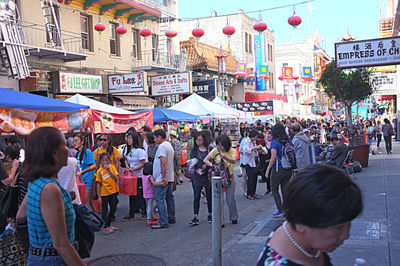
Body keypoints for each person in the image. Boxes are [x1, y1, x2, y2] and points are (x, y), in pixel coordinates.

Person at [257, 164, 363, 266]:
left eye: (348, 223)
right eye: (338, 227)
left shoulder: (300, 237)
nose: (346, 235)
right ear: (300, 222)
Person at [21, 127, 84, 265]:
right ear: (53, 153)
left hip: (38, 256)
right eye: (64, 145)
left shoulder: (36, 181)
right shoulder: (50, 189)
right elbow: (61, 244)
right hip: (53, 260)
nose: (68, 150)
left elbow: (20, 216)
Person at [204, 135, 239, 225]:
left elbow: (234, 161)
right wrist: (212, 166)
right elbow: (206, 160)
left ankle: (234, 217)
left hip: (229, 177)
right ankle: (220, 221)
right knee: (219, 200)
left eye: (221, 145)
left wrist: (226, 158)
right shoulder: (215, 150)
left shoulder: (232, 151)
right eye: (218, 145)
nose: (220, 147)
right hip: (218, 179)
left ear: (226, 144)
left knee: (230, 199)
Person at [265, 123, 293, 218]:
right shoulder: (287, 140)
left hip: (278, 168)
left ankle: (280, 209)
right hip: (288, 168)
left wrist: (268, 169)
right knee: (285, 188)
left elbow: (273, 157)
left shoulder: (275, 142)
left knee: (274, 188)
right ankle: (287, 208)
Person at [151, 129, 175, 229]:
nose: (154, 140)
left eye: (155, 138)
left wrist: (163, 177)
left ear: (159, 137)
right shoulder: (168, 145)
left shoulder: (162, 146)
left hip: (163, 178)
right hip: (169, 177)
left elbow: (163, 162)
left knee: (160, 199)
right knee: (169, 198)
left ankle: (163, 222)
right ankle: (171, 217)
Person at [189, 131, 212, 226]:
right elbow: (191, 161)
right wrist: (196, 166)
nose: (199, 142)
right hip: (197, 175)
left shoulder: (208, 149)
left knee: (209, 196)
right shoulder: (194, 150)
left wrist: (206, 166)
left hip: (207, 175)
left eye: (200, 140)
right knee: (196, 196)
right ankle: (195, 216)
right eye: (197, 140)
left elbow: (212, 159)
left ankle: (210, 214)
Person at [122, 131, 147, 221]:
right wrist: (128, 166)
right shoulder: (127, 149)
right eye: (127, 138)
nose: (128, 140)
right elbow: (125, 159)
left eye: (130, 138)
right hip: (131, 176)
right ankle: (131, 212)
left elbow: (143, 163)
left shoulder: (139, 150)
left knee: (140, 194)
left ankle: (144, 212)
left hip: (139, 175)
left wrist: (134, 169)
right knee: (131, 194)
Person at [96, 152, 119, 235]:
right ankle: (105, 227)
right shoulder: (99, 171)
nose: (105, 162)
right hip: (104, 193)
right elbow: (98, 184)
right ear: (100, 161)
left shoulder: (112, 167)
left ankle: (108, 224)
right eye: (103, 160)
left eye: (106, 160)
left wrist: (109, 171)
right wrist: (99, 197)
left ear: (109, 161)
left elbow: (116, 178)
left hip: (113, 192)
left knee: (113, 208)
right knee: (104, 210)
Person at [73, 134, 96, 210]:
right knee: (89, 202)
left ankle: (92, 221)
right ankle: (97, 220)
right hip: (81, 181)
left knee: (86, 202)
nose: (74, 143)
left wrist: (82, 172)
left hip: (88, 179)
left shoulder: (87, 151)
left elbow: (93, 165)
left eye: (76, 141)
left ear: (82, 142)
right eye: (74, 141)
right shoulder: (78, 154)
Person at [241, 129, 263, 200]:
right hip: (248, 162)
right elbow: (246, 150)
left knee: (255, 178)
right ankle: (249, 193)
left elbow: (254, 150)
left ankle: (253, 193)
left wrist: (259, 149)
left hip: (254, 161)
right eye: (256, 136)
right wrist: (255, 148)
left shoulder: (253, 142)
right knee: (250, 178)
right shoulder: (246, 141)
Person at [142, 162, 162, 226]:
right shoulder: (150, 177)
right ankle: (148, 220)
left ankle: (152, 217)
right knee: (150, 206)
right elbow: (154, 183)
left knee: (148, 205)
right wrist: (161, 183)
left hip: (145, 193)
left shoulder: (143, 176)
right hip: (150, 193)